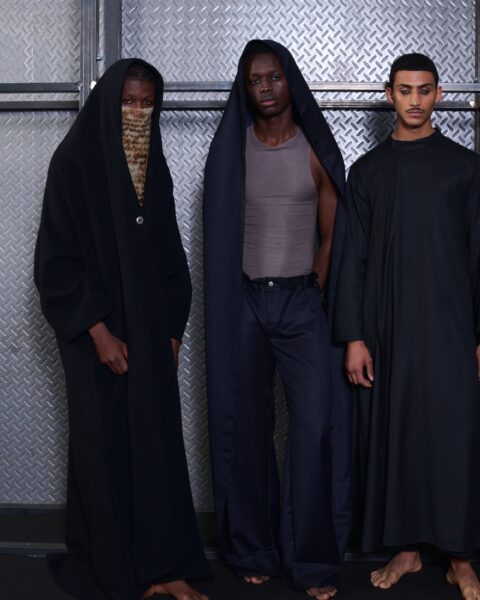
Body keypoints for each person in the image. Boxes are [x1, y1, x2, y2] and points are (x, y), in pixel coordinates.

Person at [34, 59, 210, 600]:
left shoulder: (153, 164)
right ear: (109, 104)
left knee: (157, 445)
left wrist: (173, 328)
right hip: (95, 338)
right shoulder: (73, 162)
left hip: (151, 332)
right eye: (127, 102)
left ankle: (165, 568)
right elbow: (55, 263)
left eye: (146, 103)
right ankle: (117, 572)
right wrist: (98, 332)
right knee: (104, 449)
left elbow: (169, 253)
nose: (137, 113)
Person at [203, 40, 351, 600]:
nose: (264, 87)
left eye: (273, 77)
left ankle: (310, 561)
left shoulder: (313, 150)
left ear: (290, 82)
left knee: (313, 426)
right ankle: (253, 549)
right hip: (244, 303)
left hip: (299, 305)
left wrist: (312, 284)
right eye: (254, 80)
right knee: (246, 429)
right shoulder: (233, 151)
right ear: (245, 89)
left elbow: (333, 236)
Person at [335, 53, 480, 599]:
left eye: (424, 90)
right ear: (389, 95)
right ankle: (406, 550)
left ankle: (460, 558)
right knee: (397, 435)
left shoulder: (466, 168)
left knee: (454, 436)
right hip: (387, 326)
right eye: (404, 90)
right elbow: (351, 260)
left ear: (438, 95)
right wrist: (354, 337)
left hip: (451, 326)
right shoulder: (367, 172)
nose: (414, 100)